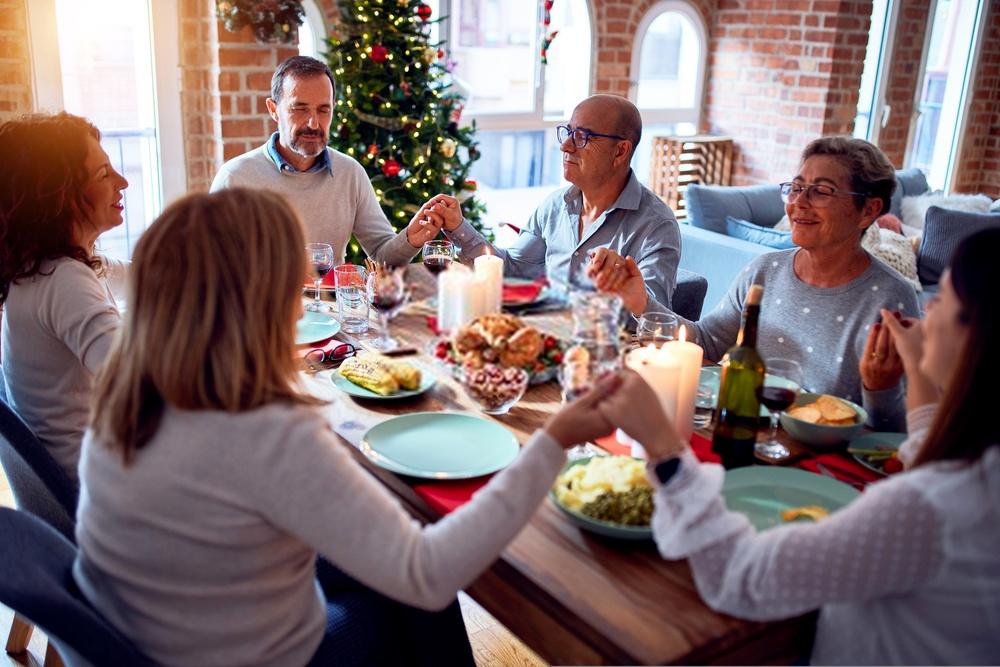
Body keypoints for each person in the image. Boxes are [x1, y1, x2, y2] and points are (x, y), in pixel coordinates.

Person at [74, 188, 633, 667]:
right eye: (287, 293)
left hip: (148, 636)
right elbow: (429, 572)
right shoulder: (262, 430)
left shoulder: (129, 392)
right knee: (420, 598)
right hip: (248, 655)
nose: (296, 314)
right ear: (253, 304)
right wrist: (554, 441)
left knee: (378, 563)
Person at [603, 227, 1000, 665]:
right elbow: (924, 442)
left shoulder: (926, 509)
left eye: (941, 298)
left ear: (976, 338)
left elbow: (740, 577)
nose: (927, 311)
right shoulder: (979, 471)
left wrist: (664, 448)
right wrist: (920, 372)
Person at [606, 137, 919, 429]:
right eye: (796, 187)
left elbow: (896, 432)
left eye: (821, 191)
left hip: (822, 463)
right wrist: (642, 302)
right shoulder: (765, 270)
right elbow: (707, 343)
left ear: (869, 210)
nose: (799, 202)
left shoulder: (890, 298)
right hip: (744, 435)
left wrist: (880, 389)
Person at [424, 94, 681, 315]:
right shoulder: (555, 206)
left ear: (620, 151)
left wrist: (621, 284)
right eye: (568, 132)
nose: (565, 145)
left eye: (582, 136)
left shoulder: (657, 225)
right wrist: (458, 227)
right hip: (543, 341)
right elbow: (512, 269)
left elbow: (654, 318)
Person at [209, 55, 443, 266]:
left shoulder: (350, 173)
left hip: (332, 311)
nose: (313, 123)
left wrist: (410, 239)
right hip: (263, 312)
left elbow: (382, 256)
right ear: (273, 109)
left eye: (323, 110)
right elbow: (212, 269)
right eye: (299, 109)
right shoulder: (235, 178)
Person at [0, 112, 128, 481]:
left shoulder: (43, 266)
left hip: (90, 471)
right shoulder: (64, 279)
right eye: (103, 174)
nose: (121, 183)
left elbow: (143, 274)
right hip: (107, 490)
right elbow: (138, 383)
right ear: (60, 194)